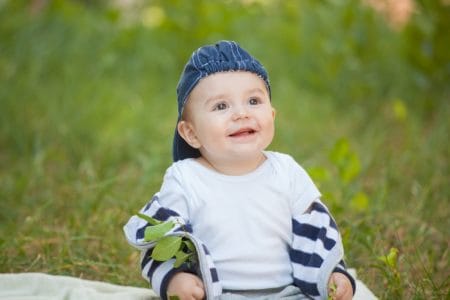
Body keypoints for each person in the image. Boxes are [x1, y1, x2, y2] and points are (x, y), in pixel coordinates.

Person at [124, 40, 355, 300]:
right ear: (191, 133)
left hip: (289, 294)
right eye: (221, 106)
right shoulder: (186, 178)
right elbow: (163, 238)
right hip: (217, 294)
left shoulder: (286, 171)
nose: (241, 113)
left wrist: (333, 274)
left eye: (254, 101)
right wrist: (175, 279)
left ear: (272, 115)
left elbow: (317, 233)